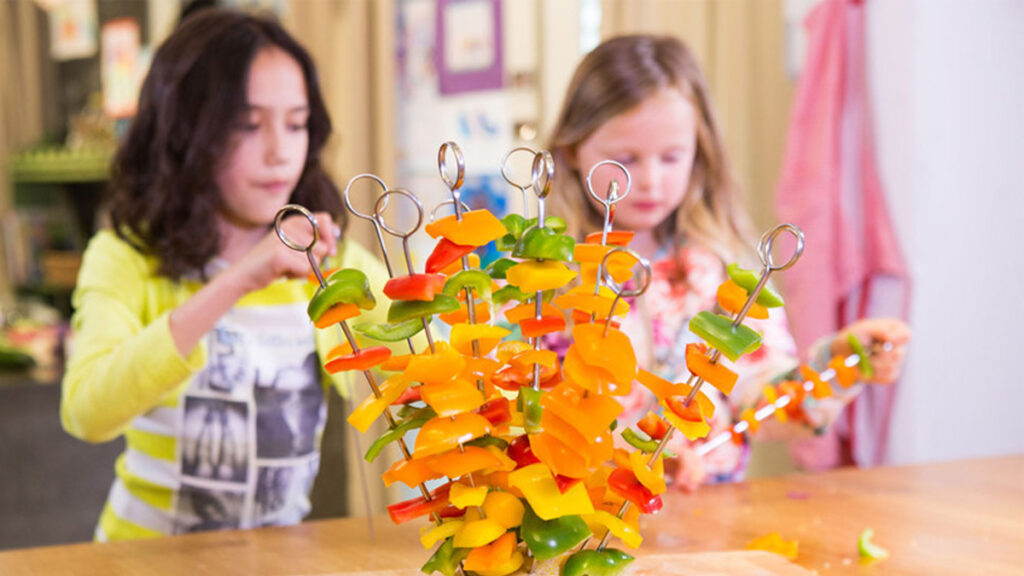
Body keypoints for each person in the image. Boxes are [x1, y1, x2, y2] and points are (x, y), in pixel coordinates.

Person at [60, 9, 389, 540]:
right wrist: (237, 280)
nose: (281, 151)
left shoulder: (329, 259)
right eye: (247, 125)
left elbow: (426, 360)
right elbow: (87, 411)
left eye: (297, 123)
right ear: (186, 130)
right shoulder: (127, 257)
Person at [545, 34, 910, 491]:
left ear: (700, 153)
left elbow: (767, 407)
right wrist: (626, 458)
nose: (651, 180)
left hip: (709, 523)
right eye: (625, 159)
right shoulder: (545, 282)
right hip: (580, 524)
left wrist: (837, 365)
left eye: (672, 156)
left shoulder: (720, 271)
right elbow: (524, 422)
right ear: (572, 152)